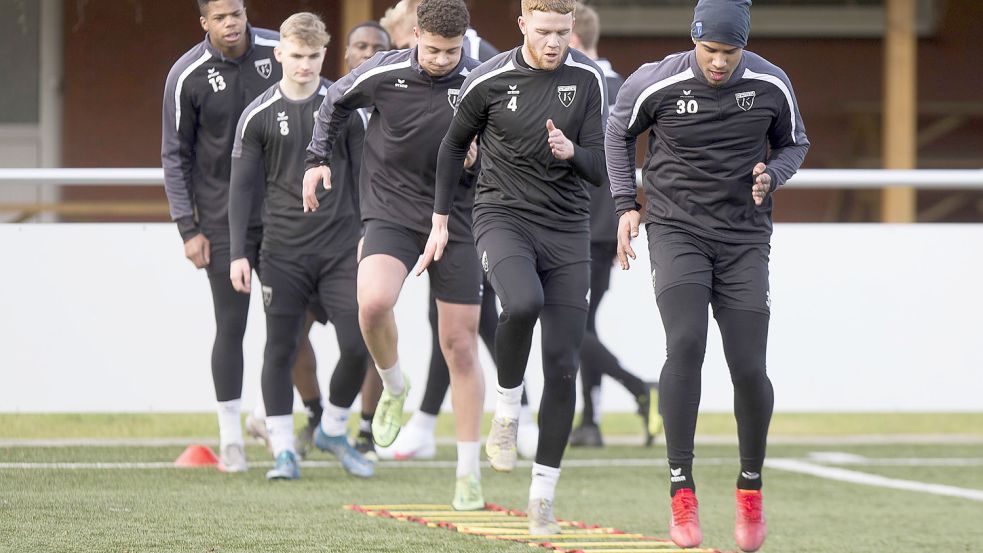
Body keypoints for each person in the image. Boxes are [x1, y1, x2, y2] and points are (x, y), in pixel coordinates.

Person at [604, 0, 809, 550]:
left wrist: (775, 174)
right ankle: (681, 488)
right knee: (687, 342)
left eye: (729, 52)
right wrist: (627, 202)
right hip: (677, 230)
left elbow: (795, 143)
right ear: (694, 40)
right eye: (709, 50)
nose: (718, 62)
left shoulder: (771, 83)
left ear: (744, 46)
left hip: (744, 239)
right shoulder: (659, 81)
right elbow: (617, 131)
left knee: (747, 365)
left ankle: (750, 487)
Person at [420, 0, 607, 534]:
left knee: (564, 362)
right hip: (502, 216)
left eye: (563, 33)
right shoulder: (488, 79)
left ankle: (543, 493)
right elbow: (453, 145)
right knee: (522, 302)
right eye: (544, 31)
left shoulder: (588, 80)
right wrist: (438, 219)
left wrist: (572, 150)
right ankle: (506, 408)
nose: (554, 43)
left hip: (568, 230)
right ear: (522, 24)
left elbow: (602, 165)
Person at [303, 0, 487, 510]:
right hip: (392, 212)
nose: (442, 59)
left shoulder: (479, 79)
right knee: (373, 304)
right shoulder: (382, 72)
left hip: (460, 220)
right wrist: (317, 160)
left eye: (452, 51)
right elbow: (334, 102)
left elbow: (504, 144)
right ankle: (394, 385)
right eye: (432, 49)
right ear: (414, 37)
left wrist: (479, 156)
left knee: (460, 346)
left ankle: (468, 473)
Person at [374, 4, 540, 463]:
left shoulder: (480, 60)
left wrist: (477, 157)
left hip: (474, 213)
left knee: (475, 326)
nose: (434, 60)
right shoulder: (410, 61)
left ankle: (517, 414)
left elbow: (502, 132)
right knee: (457, 329)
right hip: (427, 213)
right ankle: (432, 421)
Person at [228, 12, 375, 481]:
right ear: (279, 54)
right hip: (283, 254)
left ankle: (332, 428)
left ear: (323, 55)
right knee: (281, 348)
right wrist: (238, 252)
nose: (305, 65)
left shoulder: (344, 109)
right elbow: (242, 191)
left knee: (358, 345)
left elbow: (368, 177)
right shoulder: (257, 116)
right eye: (296, 55)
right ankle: (283, 450)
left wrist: (370, 235)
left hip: (341, 251)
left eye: (313, 56)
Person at [161, 0, 282, 473]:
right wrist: (187, 228)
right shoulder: (185, 75)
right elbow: (175, 155)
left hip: (282, 217)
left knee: (288, 325)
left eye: (237, 13)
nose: (231, 24)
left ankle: (274, 423)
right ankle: (231, 436)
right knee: (232, 324)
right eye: (220, 17)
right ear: (204, 24)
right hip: (219, 221)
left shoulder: (279, 50)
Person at [566, 1, 660, 449]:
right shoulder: (624, 87)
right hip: (605, 227)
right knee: (581, 325)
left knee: (568, 324)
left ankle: (640, 389)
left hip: (579, 224)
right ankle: (591, 421)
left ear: (573, 39)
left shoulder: (578, 85)